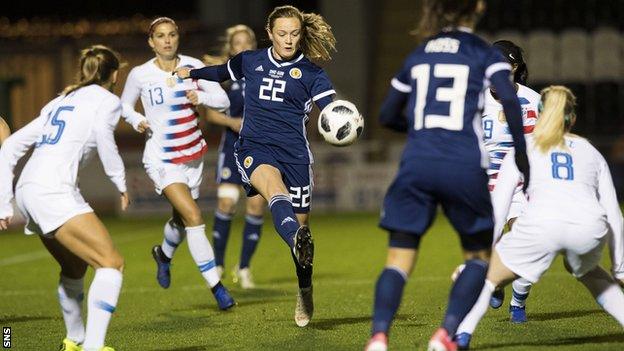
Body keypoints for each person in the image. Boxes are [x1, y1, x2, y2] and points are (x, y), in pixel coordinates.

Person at [363, 1, 530, 350]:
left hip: (417, 163)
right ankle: (445, 334)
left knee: (398, 259)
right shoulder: (483, 53)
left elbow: (387, 114)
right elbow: (513, 103)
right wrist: (522, 156)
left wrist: (421, 130)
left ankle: (379, 336)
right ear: (478, 8)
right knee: (479, 258)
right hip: (463, 164)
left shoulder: (420, 53)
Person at [175, 5, 337, 327]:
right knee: (274, 192)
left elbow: (330, 110)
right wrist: (191, 73)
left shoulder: (312, 74)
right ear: (269, 33)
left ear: (301, 34)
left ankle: (304, 286)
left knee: (301, 236)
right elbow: (221, 72)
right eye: (282, 34)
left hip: (295, 156)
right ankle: (292, 239)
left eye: (294, 34)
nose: (288, 40)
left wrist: (341, 118)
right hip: (254, 147)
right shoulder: (251, 61)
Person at [455, 85, 624, 348]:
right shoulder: (590, 151)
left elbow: (498, 212)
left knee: (489, 277)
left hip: (542, 224)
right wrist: (620, 267)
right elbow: (614, 214)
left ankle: (459, 336)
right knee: (592, 275)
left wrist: (480, 259)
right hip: (588, 228)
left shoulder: (523, 150)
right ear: (573, 118)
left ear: (539, 114)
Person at [0, 45, 128, 351]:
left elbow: (10, 145)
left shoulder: (61, 100)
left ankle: (75, 340)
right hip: (53, 190)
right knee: (111, 263)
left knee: (75, 267)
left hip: (29, 191)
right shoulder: (107, 101)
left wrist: (5, 202)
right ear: (114, 74)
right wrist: (121, 182)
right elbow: (105, 139)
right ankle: (93, 348)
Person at [120, 17, 234, 309]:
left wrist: (202, 95)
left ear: (177, 37)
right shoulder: (140, 74)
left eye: (171, 34)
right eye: (160, 36)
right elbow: (124, 106)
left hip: (193, 156)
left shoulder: (193, 67)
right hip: (162, 158)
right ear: (151, 42)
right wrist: (137, 120)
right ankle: (217, 289)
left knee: (180, 221)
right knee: (194, 217)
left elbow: (222, 101)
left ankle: (163, 255)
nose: (167, 40)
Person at [479, 39, 539, 323]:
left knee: (528, 243)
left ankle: (518, 302)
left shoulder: (534, 100)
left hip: (521, 185)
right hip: (485, 186)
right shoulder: (475, 98)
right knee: (484, 249)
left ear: (514, 67)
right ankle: (498, 283)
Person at [203, 24, 267, 289]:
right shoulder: (225, 77)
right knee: (227, 204)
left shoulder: (264, 74)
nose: (243, 47)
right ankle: (217, 264)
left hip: (262, 149)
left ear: (253, 46)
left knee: (256, 206)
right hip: (232, 149)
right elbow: (209, 114)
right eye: (237, 43)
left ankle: (244, 268)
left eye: (247, 43)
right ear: (231, 48)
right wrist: (233, 123)